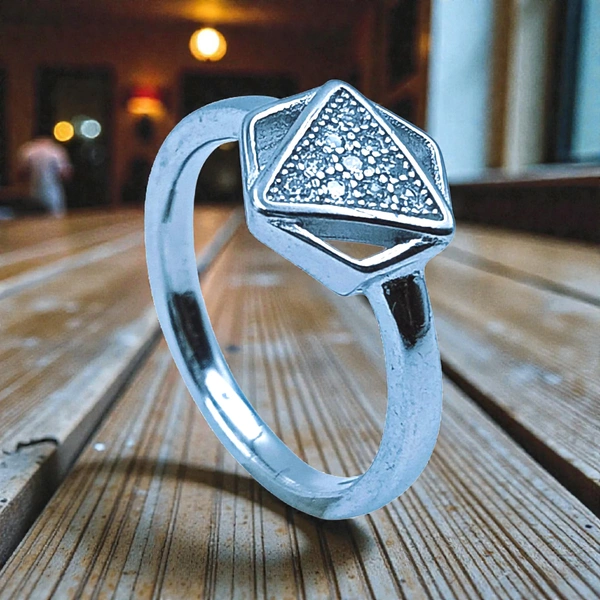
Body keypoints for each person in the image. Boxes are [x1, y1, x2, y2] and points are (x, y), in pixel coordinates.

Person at [17, 135, 73, 216]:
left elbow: (21, 173)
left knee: (35, 218)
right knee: (56, 218)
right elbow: (65, 174)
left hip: (34, 191)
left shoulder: (27, 149)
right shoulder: (56, 150)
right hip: (53, 191)